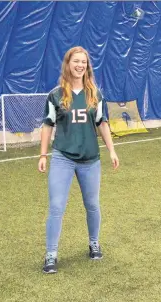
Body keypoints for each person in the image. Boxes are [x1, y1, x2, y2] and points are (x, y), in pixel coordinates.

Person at [38, 46, 119, 274]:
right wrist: (43, 154)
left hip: (90, 159)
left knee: (92, 204)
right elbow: (47, 125)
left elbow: (102, 122)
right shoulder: (56, 95)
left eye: (83, 62)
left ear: (87, 66)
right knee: (56, 206)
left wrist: (111, 150)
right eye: (76, 61)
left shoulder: (95, 94)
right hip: (63, 157)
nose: (80, 65)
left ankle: (94, 243)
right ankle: (51, 254)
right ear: (68, 64)